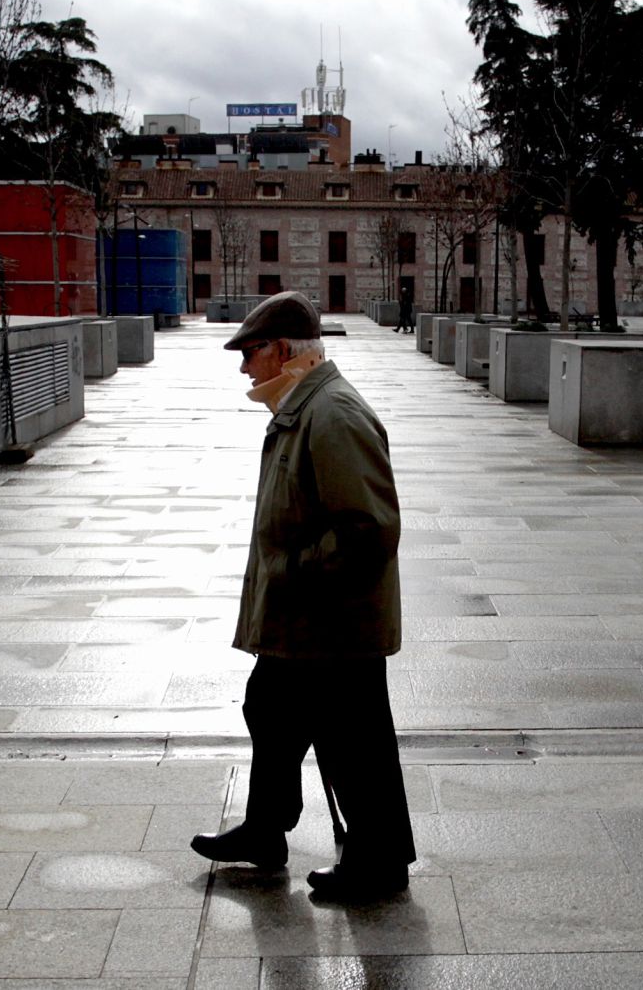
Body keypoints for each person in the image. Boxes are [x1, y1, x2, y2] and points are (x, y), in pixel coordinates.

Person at [191, 290, 416, 903]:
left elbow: (368, 529)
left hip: (332, 623)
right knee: (270, 710)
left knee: (354, 742)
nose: (244, 368)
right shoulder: (303, 407)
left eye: (250, 352)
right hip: (302, 621)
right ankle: (266, 832)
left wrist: (292, 569)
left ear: (283, 351)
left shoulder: (333, 414)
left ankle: (378, 862)